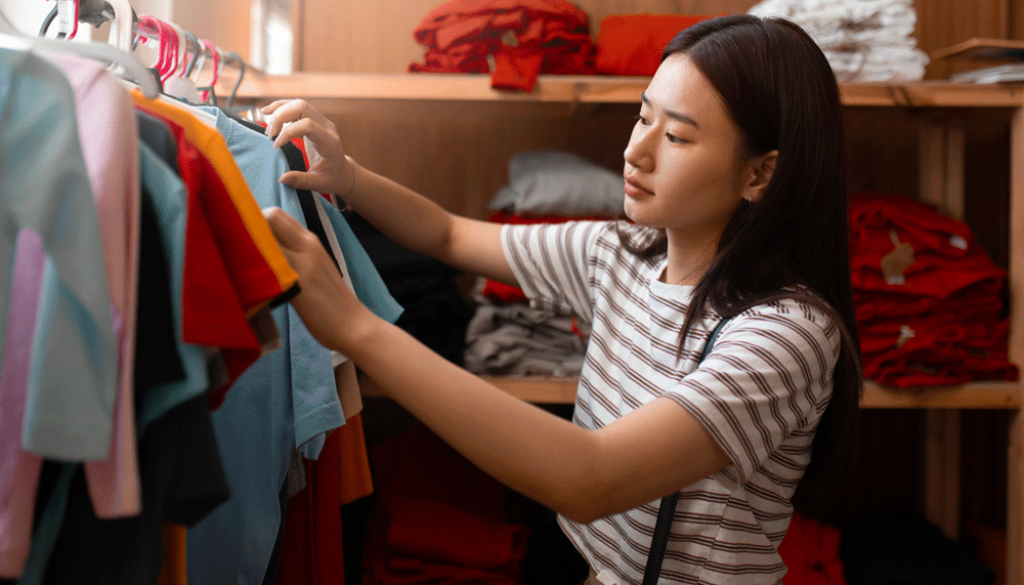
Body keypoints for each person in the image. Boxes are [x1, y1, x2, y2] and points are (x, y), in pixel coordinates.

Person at [259, 13, 862, 585]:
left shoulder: (785, 333)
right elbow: (448, 233)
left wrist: (357, 328)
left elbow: (591, 476)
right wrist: (348, 178)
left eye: (676, 135)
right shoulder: (622, 254)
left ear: (760, 175)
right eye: (642, 117)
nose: (637, 152)